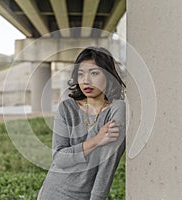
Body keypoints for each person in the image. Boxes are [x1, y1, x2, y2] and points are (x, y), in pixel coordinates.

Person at [38, 46, 126, 200]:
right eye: (80, 74)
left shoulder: (116, 109)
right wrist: (96, 140)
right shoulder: (67, 108)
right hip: (51, 192)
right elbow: (59, 158)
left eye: (94, 73)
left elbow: (108, 164)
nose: (86, 81)